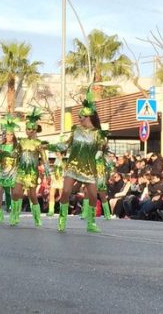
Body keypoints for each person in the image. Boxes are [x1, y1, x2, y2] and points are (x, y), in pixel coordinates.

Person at [56, 88, 105, 233]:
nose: (79, 119)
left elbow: (102, 148)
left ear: (89, 117)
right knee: (65, 191)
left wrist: (101, 152)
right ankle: (62, 220)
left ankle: (91, 223)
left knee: (92, 196)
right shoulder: (75, 131)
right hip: (73, 166)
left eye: (81, 117)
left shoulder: (98, 134)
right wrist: (49, 145)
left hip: (89, 168)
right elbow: (65, 145)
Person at [12, 108, 48, 227]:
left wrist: (47, 172)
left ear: (35, 130)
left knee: (32, 196)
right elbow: (16, 155)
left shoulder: (38, 143)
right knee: (16, 193)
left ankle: (37, 219)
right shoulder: (21, 142)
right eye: (28, 128)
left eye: (32, 129)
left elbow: (44, 158)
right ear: (26, 129)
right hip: (21, 171)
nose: (30, 131)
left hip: (32, 172)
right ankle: (15, 217)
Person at [0, 115, 20, 223]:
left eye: (11, 134)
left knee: (15, 195)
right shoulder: (1, 146)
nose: (9, 136)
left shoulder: (18, 146)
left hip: (13, 172)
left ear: (13, 135)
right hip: (2, 172)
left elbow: (21, 158)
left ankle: (14, 215)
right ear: (5, 135)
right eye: (7, 134)